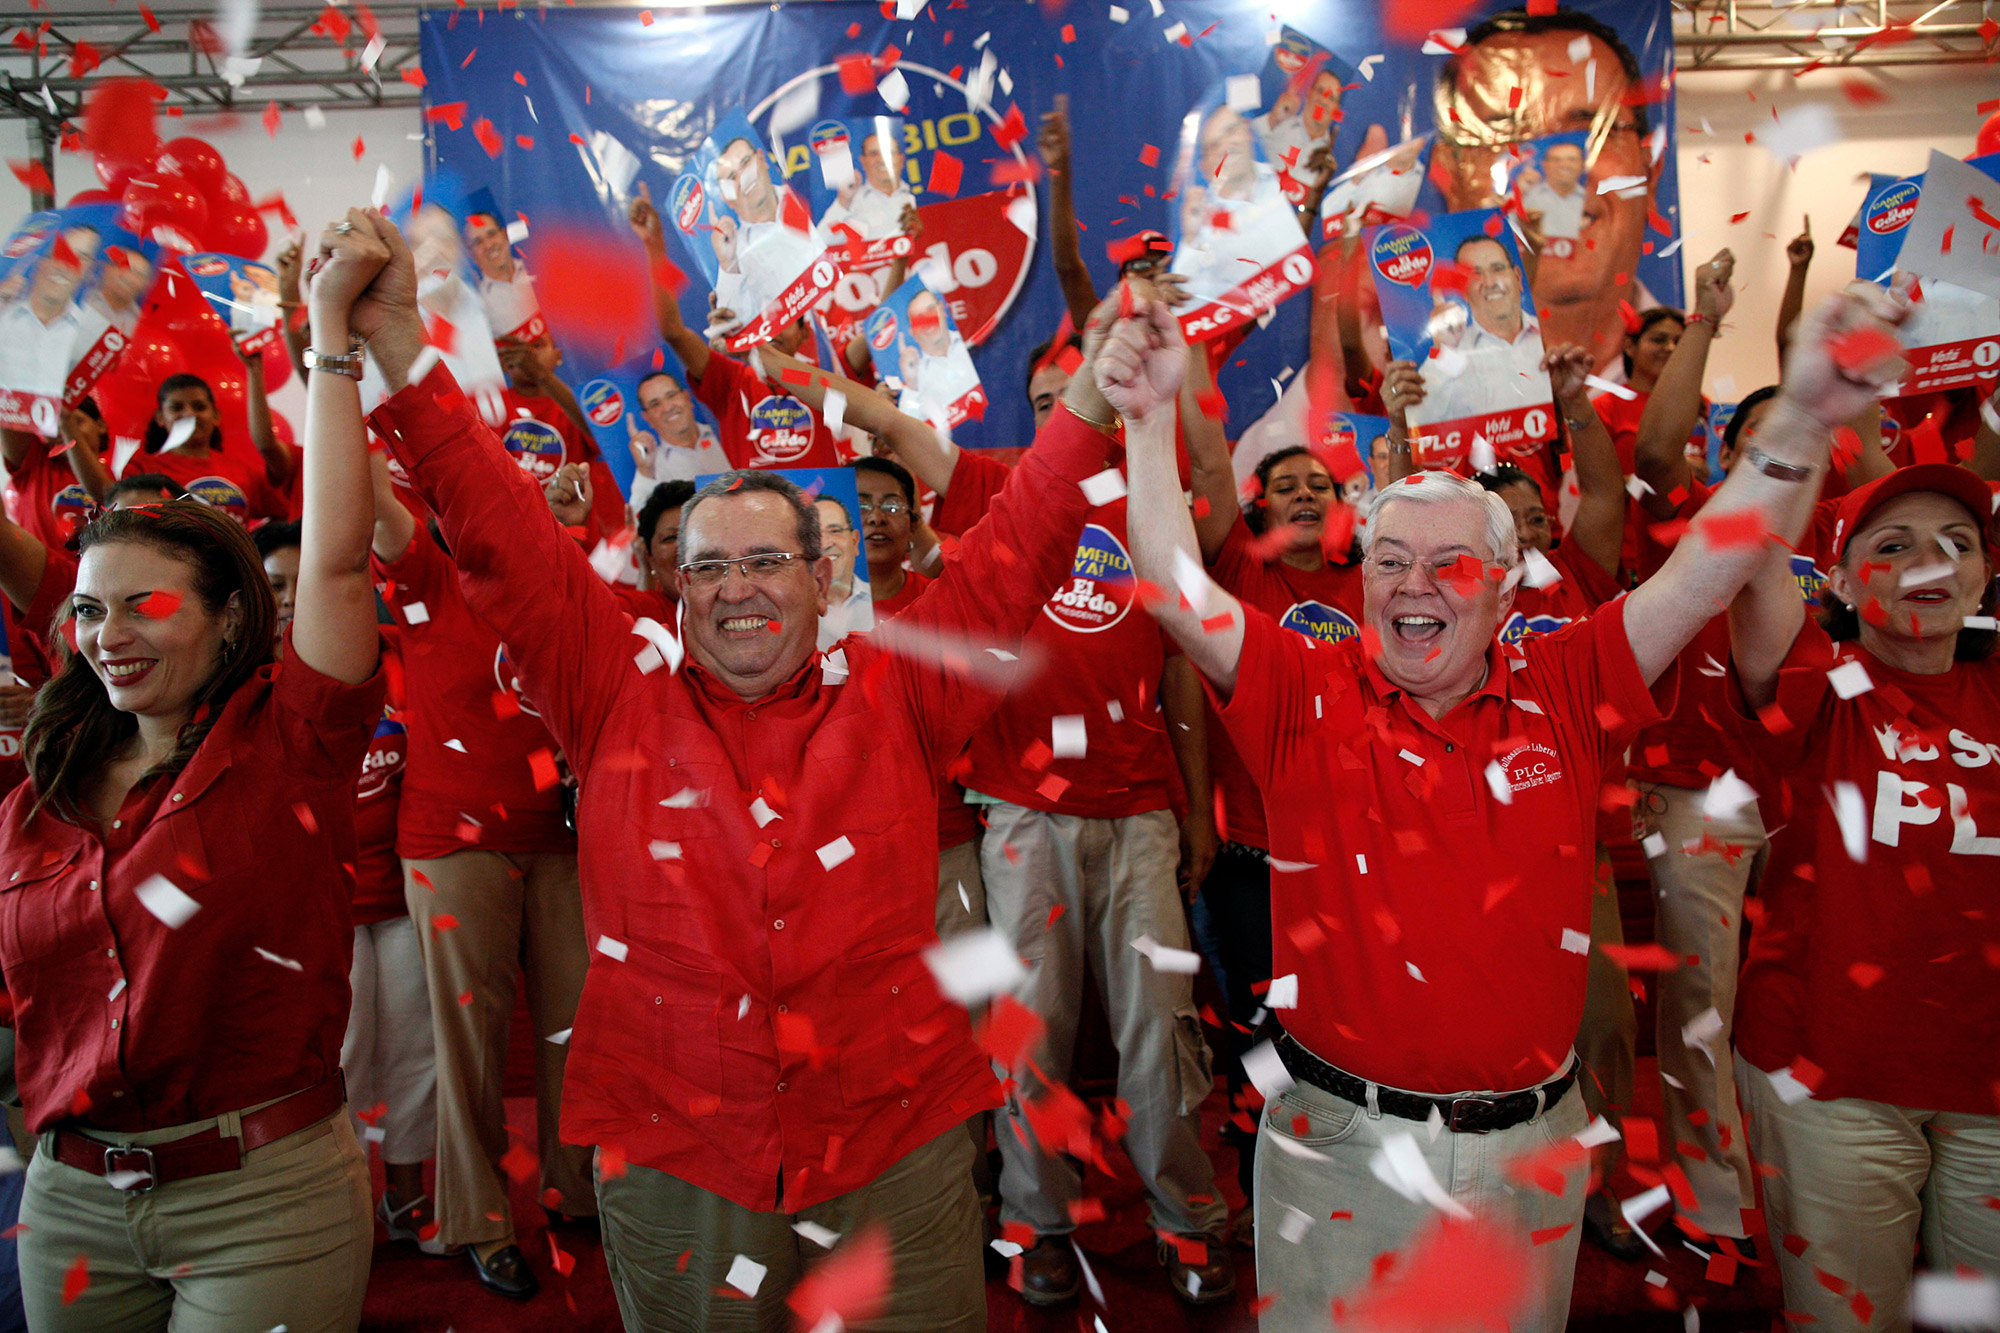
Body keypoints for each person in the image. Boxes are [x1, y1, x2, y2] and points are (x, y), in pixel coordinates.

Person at [345, 207, 1136, 1330]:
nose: (738, 588)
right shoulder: (610, 688)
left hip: (893, 1148)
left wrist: (1095, 389)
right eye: (709, 568)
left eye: (768, 560)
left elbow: (1022, 543)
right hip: (680, 1154)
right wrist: (393, 343)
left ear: (823, 579)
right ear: (676, 590)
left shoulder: (903, 687)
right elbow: (493, 522)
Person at [1122, 274, 1911, 1330]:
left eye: (1449, 563)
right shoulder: (1301, 689)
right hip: (1337, 1147)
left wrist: (1805, 417)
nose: (1413, 585)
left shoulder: (1569, 680)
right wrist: (1145, 420)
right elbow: (1172, 582)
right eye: (1389, 561)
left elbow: (1704, 569)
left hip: (1529, 1148)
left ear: (1504, 589)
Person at [0, 206, 386, 1332]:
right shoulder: (44, 786)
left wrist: (325, 332)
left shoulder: (292, 744)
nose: (108, 634)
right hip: (70, 1206)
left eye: (147, 604)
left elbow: (338, 559)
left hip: (263, 1203)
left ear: (228, 621)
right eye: (88, 610)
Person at [855, 323, 1234, 1307]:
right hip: (1023, 813)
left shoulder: (1148, 500)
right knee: (1029, 1031)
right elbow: (895, 428)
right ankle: (1036, 1220)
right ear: (1037, 411)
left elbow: (1180, 668)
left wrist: (1193, 806)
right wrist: (807, 372)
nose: (1075, 406)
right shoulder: (999, 488)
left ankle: (1186, 1216)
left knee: (1162, 1029)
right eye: (1052, 396)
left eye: (1089, 388)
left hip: (1141, 809)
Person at [1726, 463, 2000, 1331]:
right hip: (1831, 1078)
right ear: (1839, 582)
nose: (1931, 561)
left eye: (1957, 544)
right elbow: (1756, 568)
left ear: (1984, 577)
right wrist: (1803, 429)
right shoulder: (1818, 686)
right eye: (1894, 545)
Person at [364, 413, 593, 1300]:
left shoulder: (563, 572)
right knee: (468, 1045)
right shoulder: (425, 570)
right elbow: (371, 492)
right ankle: (478, 1219)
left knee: (577, 1027)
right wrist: (341, 366)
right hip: (453, 841)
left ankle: (576, 1190)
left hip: (562, 838)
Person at [254, 518, 441, 1257]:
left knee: (417, 1052)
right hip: (311, 914)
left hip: (404, 898)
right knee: (339, 1061)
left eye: (303, 584)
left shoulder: (395, 658)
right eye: (275, 586)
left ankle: (406, 1194)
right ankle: (343, 1207)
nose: (291, 601)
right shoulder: (240, 685)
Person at [1431, 6, 1659, 374]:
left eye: (1589, 132)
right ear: (1449, 178)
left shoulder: (1684, 358)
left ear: (1650, 173)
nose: (1554, 174)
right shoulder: (1421, 369)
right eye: (1508, 137)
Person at [630, 185, 848, 471]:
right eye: (763, 317)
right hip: (755, 502)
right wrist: (654, 246)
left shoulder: (827, 377)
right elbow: (673, 332)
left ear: (804, 334)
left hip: (826, 498)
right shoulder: (732, 381)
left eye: (783, 320)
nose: (772, 328)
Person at [1415, 234, 1554, 427]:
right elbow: (1420, 422)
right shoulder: (1452, 354)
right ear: (1463, 289)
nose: (1489, 283)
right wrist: (1443, 352)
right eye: (1475, 275)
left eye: (1498, 269)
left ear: (1517, 277)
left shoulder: (1550, 335)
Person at [125, 373, 292, 525]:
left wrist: (254, 542)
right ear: (160, 418)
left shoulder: (244, 471)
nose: (189, 414)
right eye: (176, 408)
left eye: (199, 407)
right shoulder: (142, 470)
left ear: (216, 416)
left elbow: (284, 514)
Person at [2, 399, 116, 551]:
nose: (61, 430)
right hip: (42, 565)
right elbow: (10, 406)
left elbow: (105, 496)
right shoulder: (35, 463)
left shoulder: (115, 478)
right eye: (53, 425)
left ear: (100, 425)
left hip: (91, 566)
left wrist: (67, 425)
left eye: (77, 421)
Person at [627, 371, 729, 506]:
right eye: (655, 404)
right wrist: (645, 470)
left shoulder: (725, 434)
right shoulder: (652, 470)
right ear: (647, 417)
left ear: (687, 397)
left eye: (671, 395)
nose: (667, 408)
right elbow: (638, 514)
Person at [821, 127, 917, 244]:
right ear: (863, 160)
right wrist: (844, 201)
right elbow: (821, 243)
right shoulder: (852, 201)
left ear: (901, 159)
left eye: (889, 152)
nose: (882, 159)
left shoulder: (917, 196)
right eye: (874, 154)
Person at [464, 211, 542, 344]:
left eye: (491, 234)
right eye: (478, 242)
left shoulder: (539, 270)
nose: (488, 245)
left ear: (504, 235)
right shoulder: (479, 308)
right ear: (471, 254)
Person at [813, 491, 872, 647]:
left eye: (835, 531)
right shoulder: (788, 612)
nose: (825, 544)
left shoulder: (883, 601)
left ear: (855, 541)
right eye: (815, 535)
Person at [1516, 141, 1588, 243]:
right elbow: (1502, 224)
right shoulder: (1526, 195)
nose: (1564, 165)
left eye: (1571, 160)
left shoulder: (1592, 202)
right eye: (1556, 160)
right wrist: (1519, 194)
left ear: (1583, 165)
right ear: (1545, 165)